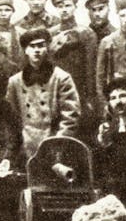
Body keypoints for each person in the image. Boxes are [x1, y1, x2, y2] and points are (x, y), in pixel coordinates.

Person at [5, 28, 80, 160]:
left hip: (54, 142)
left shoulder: (61, 77)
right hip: (26, 144)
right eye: (32, 46)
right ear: (25, 50)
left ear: (47, 48)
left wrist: (58, 144)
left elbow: (70, 116)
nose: (37, 50)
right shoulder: (15, 81)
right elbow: (11, 117)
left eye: (41, 46)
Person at [48, 0, 99, 141]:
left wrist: (90, 98)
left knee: (82, 134)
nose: (64, 10)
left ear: (75, 6)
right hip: (57, 93)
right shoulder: (50, 34)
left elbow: (91, 69)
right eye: (60, 6)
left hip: (80, 93)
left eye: (68, 5)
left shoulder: (86, 33)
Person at [0, 0, 22, 98]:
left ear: (12, 12)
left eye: (7, 10)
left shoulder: (19, 33)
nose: (3, 13)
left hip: (16, 77)